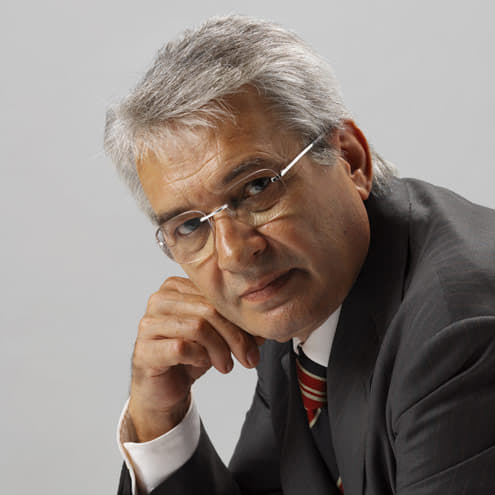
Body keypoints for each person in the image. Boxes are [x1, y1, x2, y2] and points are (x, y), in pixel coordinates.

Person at [104, 15, 495, 495]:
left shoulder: (460, 335)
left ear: (350, 159)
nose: (234, 254)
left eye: (257, 187)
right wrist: (158, 421)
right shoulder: (305, 294)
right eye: (190, 225)